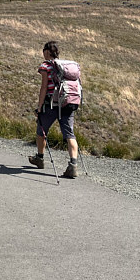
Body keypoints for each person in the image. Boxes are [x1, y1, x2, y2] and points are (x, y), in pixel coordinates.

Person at [30, 40, 80, 178]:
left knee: (41, 130)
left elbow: (44, 87)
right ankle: (73, 165)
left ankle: (40, 158)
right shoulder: (67, 66)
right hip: (68, 103)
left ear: (46, 52)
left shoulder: (46, 66)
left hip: (51, 104)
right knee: (69, 134)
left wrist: (39, 106)